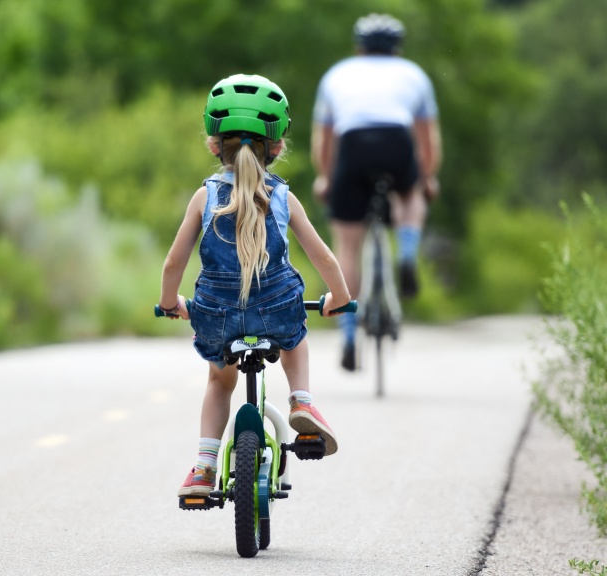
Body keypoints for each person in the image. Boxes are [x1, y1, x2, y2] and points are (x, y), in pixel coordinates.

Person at [158, 74, 353, 497]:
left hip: (216, 315)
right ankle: (301, 400)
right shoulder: (283, 196)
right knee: (295, 337)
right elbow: (324, 257)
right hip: (276, 309)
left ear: (213, 145)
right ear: (277, 147)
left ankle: (204, 467)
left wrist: (171, 302)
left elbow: (174, 262)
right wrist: (339, 297)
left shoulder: (204, 197)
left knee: (219, 383)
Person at [310, 13, 442, 371]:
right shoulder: (414, 74)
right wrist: (427, 178)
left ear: (359, 48)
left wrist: (325, 178)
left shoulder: (336, 74)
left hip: (353, 145)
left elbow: (324, 141)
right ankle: (407, 252)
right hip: (396, 141)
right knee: (411, 195)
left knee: (347, 246)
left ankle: (348, 335)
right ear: (397, 49)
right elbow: (428, 140)